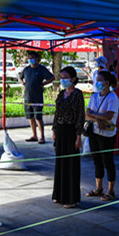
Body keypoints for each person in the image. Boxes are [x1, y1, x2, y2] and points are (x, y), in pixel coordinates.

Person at [51, 66, 85, 209]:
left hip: (71, 131)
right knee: (60, 163)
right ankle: (59, 194)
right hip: (60, 131)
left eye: (65, 77)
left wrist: (78, 136)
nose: (63, 79)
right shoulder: (61, 94)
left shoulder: (78, 94)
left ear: (73, 79)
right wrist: (54, 130)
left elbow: (80, 116)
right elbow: (57, 113)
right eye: (62, 77)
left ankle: (71, 198)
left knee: (71, 164)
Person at [85, 71, 119, 202]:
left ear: (107, 83)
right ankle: (99, 188)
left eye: (99, 80)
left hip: (107, 135)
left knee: (108, 162)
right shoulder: (94, 97)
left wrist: (95, 116)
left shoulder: (112, 98)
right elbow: (87, 114)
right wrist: (97, 120)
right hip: (94, 132)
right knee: (97, 161)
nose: (97, 82)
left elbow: (109, 116)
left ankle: (111, 190)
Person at [19, 51, 55, 144]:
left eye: (32, 57)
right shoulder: (26, 69)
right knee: (30, 117)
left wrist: (43, 84)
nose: (30, 59)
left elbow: (52, 77)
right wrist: (22, 82)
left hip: (37, 97)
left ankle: (42, 136)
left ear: (37, 59)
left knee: (38, 117)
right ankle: (34, 135)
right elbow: (19, 77)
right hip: (27, 97)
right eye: (29, 58)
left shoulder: (41, 69)